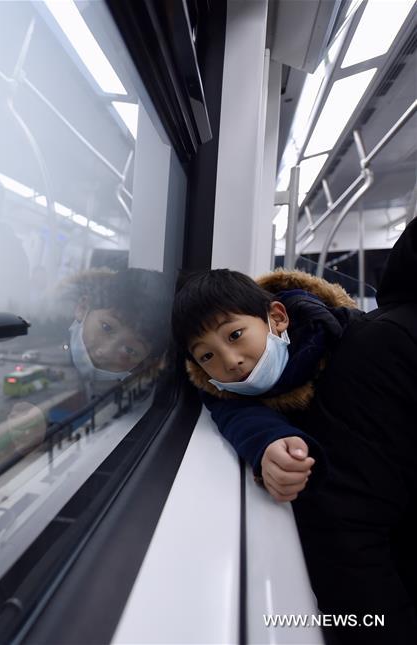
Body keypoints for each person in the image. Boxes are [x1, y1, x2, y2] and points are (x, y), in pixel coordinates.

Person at [171, 218, 417, 641]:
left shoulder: (347, 340)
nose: (229, 361)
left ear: (278, 318)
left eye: (235, 335)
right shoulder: (226, 389)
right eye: (207, 356)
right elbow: (235, 412)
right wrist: (268, 443)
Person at [62, 268, 174, 383]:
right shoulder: (47, 334)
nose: (104, 352)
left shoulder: (140, 395)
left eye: (130, 350)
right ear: (83, 308)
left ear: (146, 363)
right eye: (106, 327)